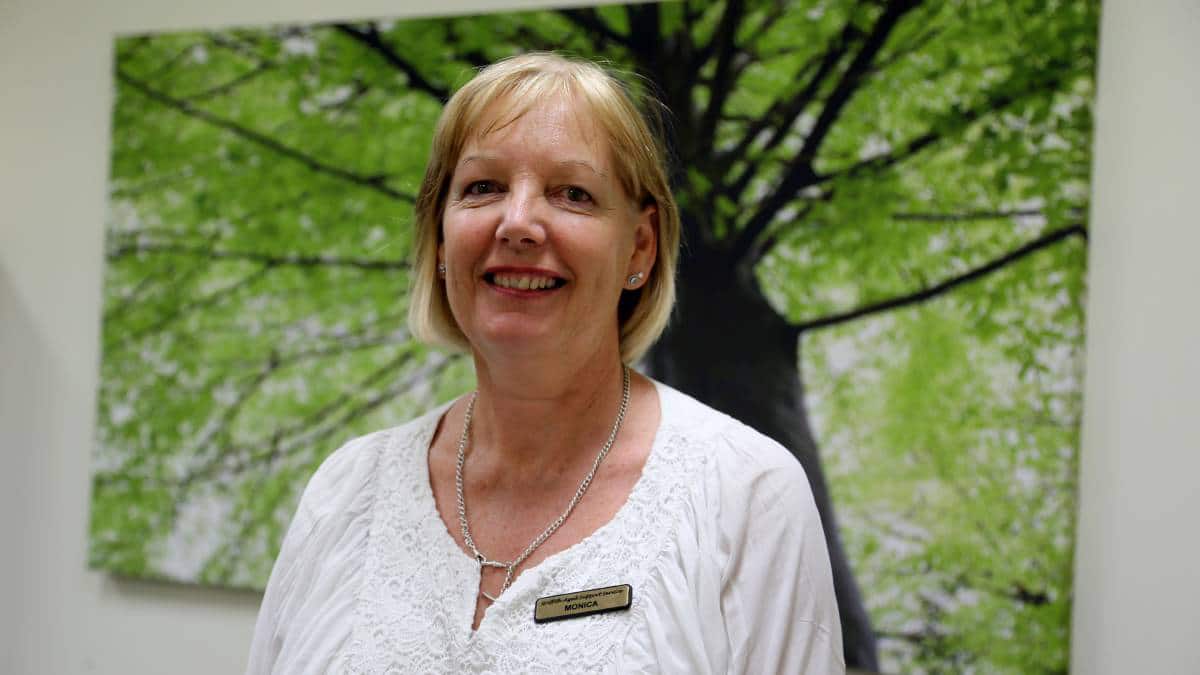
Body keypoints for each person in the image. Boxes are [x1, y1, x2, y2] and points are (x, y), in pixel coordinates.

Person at [247, 52, 844, 674]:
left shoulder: (744, 495)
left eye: (572, 193)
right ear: (441, 238)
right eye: (483, 187)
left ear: (639, 248)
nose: (518, 223)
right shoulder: (347, 492)